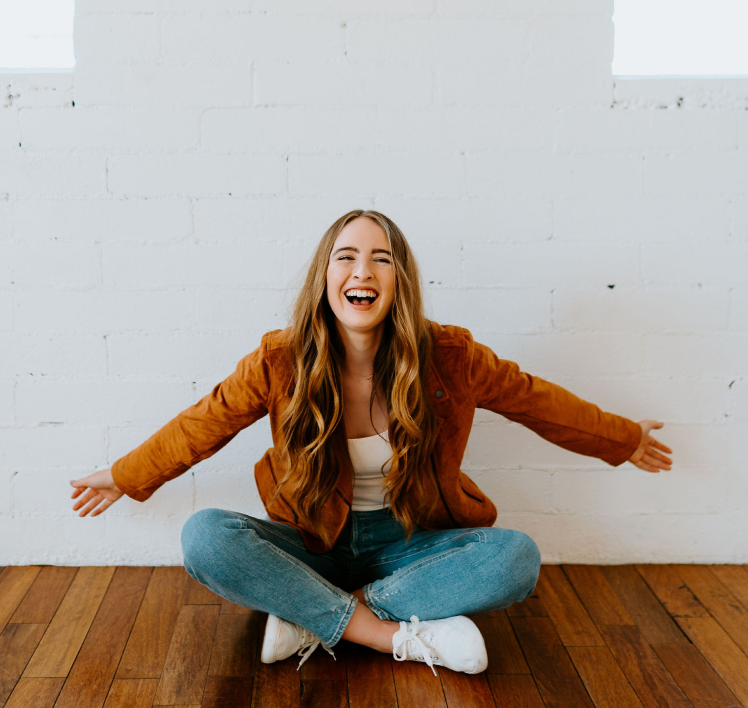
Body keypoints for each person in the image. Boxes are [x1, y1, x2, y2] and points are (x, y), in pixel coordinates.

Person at [70, 210, 672, 675]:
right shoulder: (281, 359)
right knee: (205, 538)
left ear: (398, 279)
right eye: (347, 257)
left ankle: (314, 617)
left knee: (516, 557)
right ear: (325, 276)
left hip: (411, 544)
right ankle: (394, 636)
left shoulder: (450, 358)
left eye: (381, 259)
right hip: (314, 541)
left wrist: (622, 438)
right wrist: (124, 476)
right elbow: (204, 423)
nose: (363, 271)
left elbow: (536, 400)